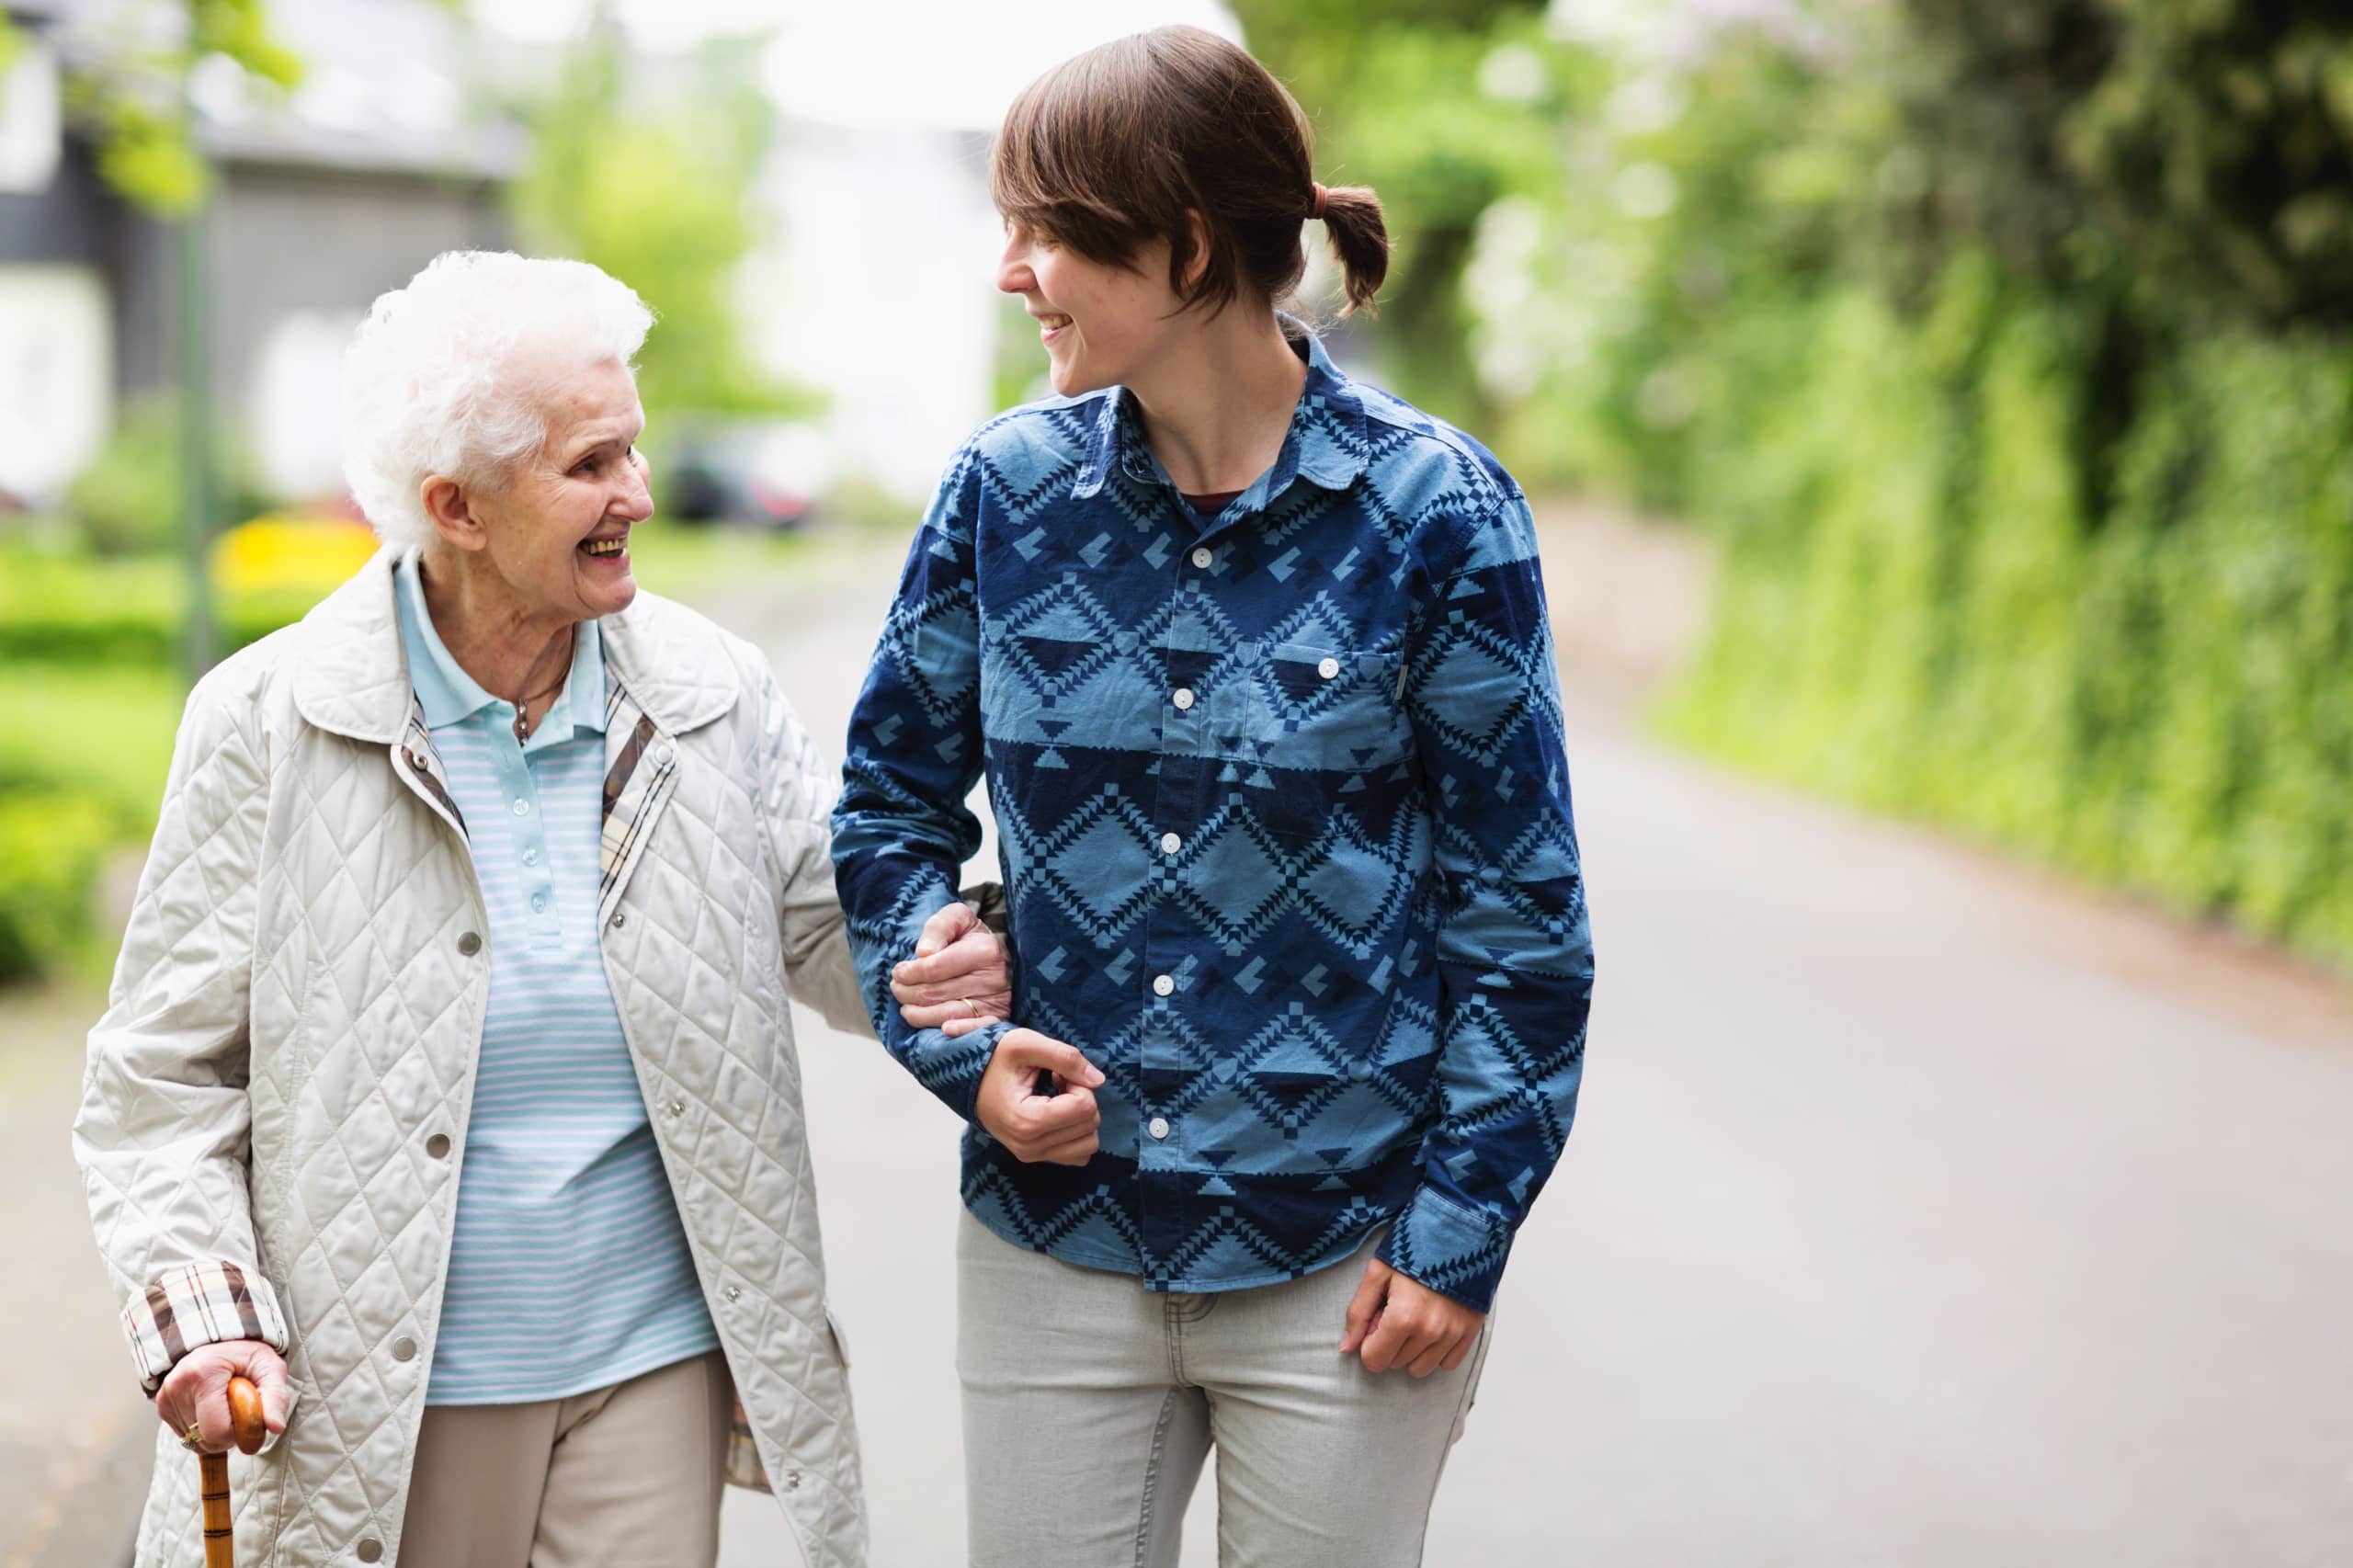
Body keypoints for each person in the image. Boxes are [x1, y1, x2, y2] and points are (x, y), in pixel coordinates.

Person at [73, 251, 1009, 1568]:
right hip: (386, 1386)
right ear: (455, 505)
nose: (637, 492)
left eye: (633, 449)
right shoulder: (268, 722)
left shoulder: (709, 690)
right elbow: (157, 1081)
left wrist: (943, 944)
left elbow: (826, 924)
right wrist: (207, 1313)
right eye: (589, 466)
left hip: (652, 1361)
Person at [831, 26, 1595, 1568]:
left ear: (1185, 247)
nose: (1011, 271)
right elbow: (885, 809)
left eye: (1046, 232)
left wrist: (1461, 1230)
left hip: (1348, 1261)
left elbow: (1522, 912)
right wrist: (948, 1029)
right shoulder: (1002, 494)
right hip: (1055, 1244)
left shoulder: (1435, 515)